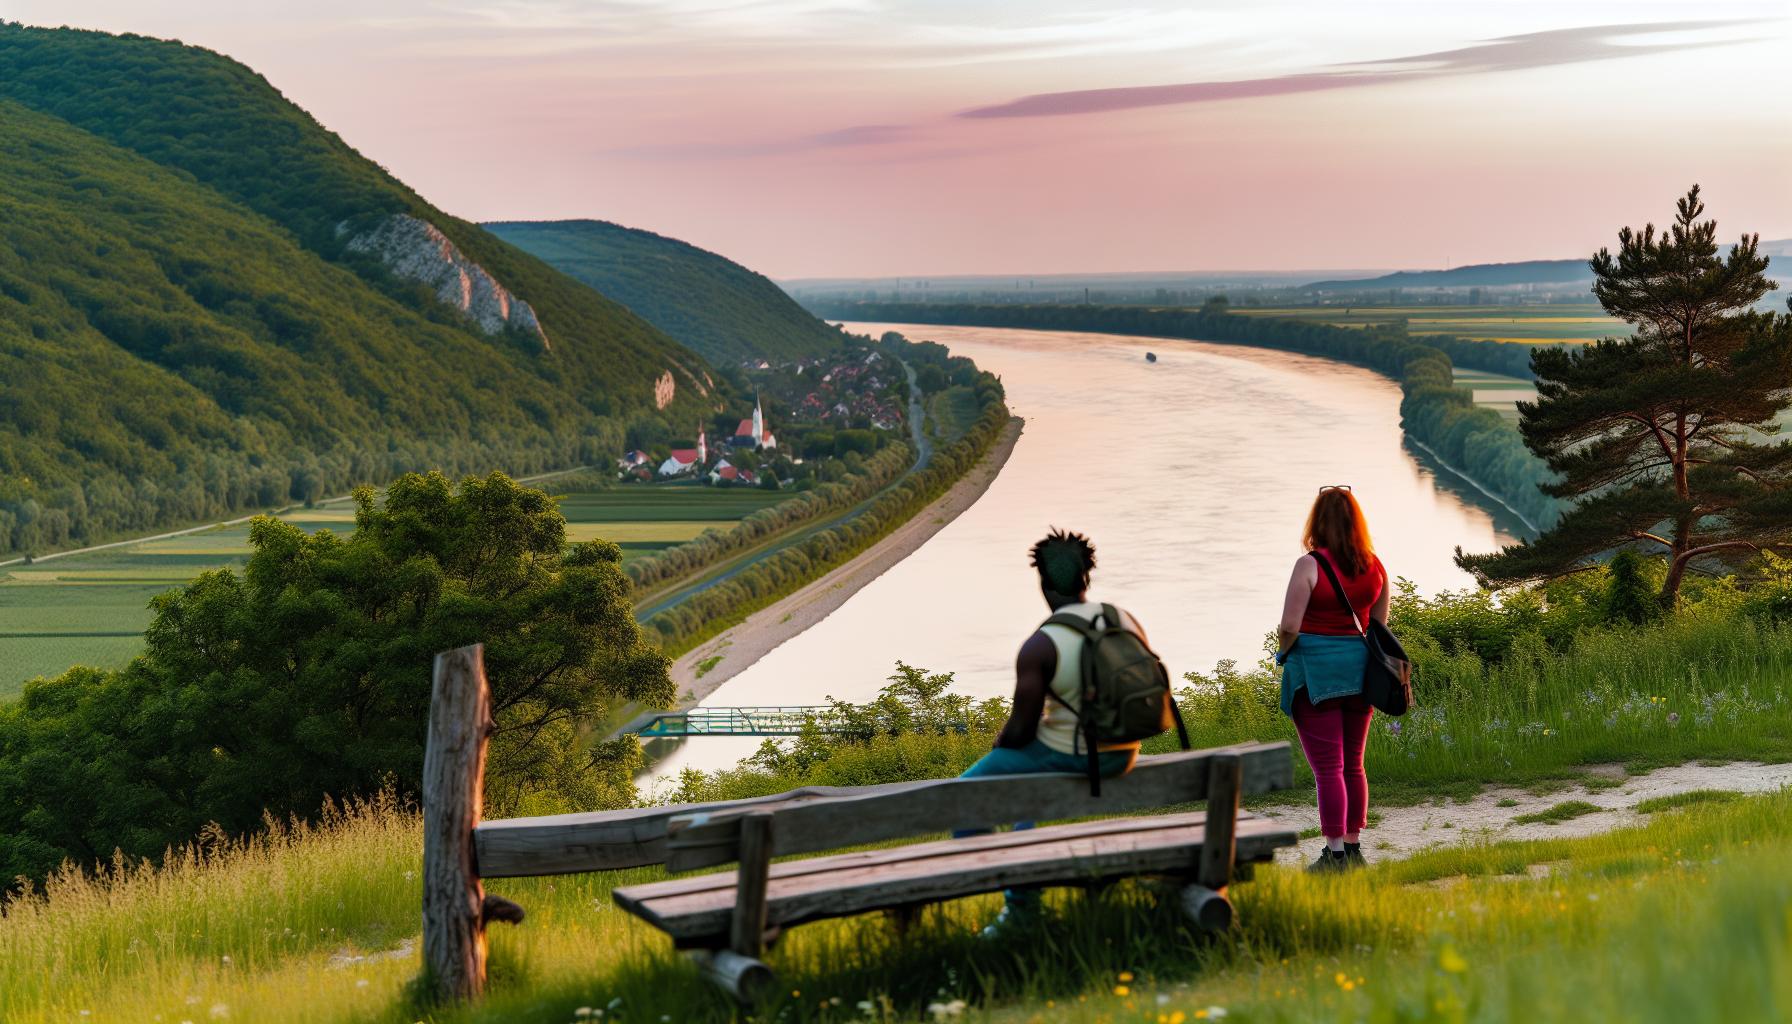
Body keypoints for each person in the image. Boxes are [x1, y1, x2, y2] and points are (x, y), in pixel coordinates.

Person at [956, 528, 1145, 934]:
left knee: (963, 795)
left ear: (1042, 582)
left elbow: (1022, 730)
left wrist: (999, 744)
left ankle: (1020, 906)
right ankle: (1024, 898)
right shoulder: (1123, 619)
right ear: (1086, 577)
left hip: (1073, 755)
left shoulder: (1042, 644)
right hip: (1123, 749)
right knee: (1029, 791)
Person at [1275, 485, 1388, 873]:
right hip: (1361, 675)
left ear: (1317, 522)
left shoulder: (1309, 565)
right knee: (1354, 765)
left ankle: (1335, 854)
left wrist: (1282, 651)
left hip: (1316, 679)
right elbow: (1379, 625)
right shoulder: (1374, 566)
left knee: (1328, 770)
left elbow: (1290, 625)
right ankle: (1354, 851)